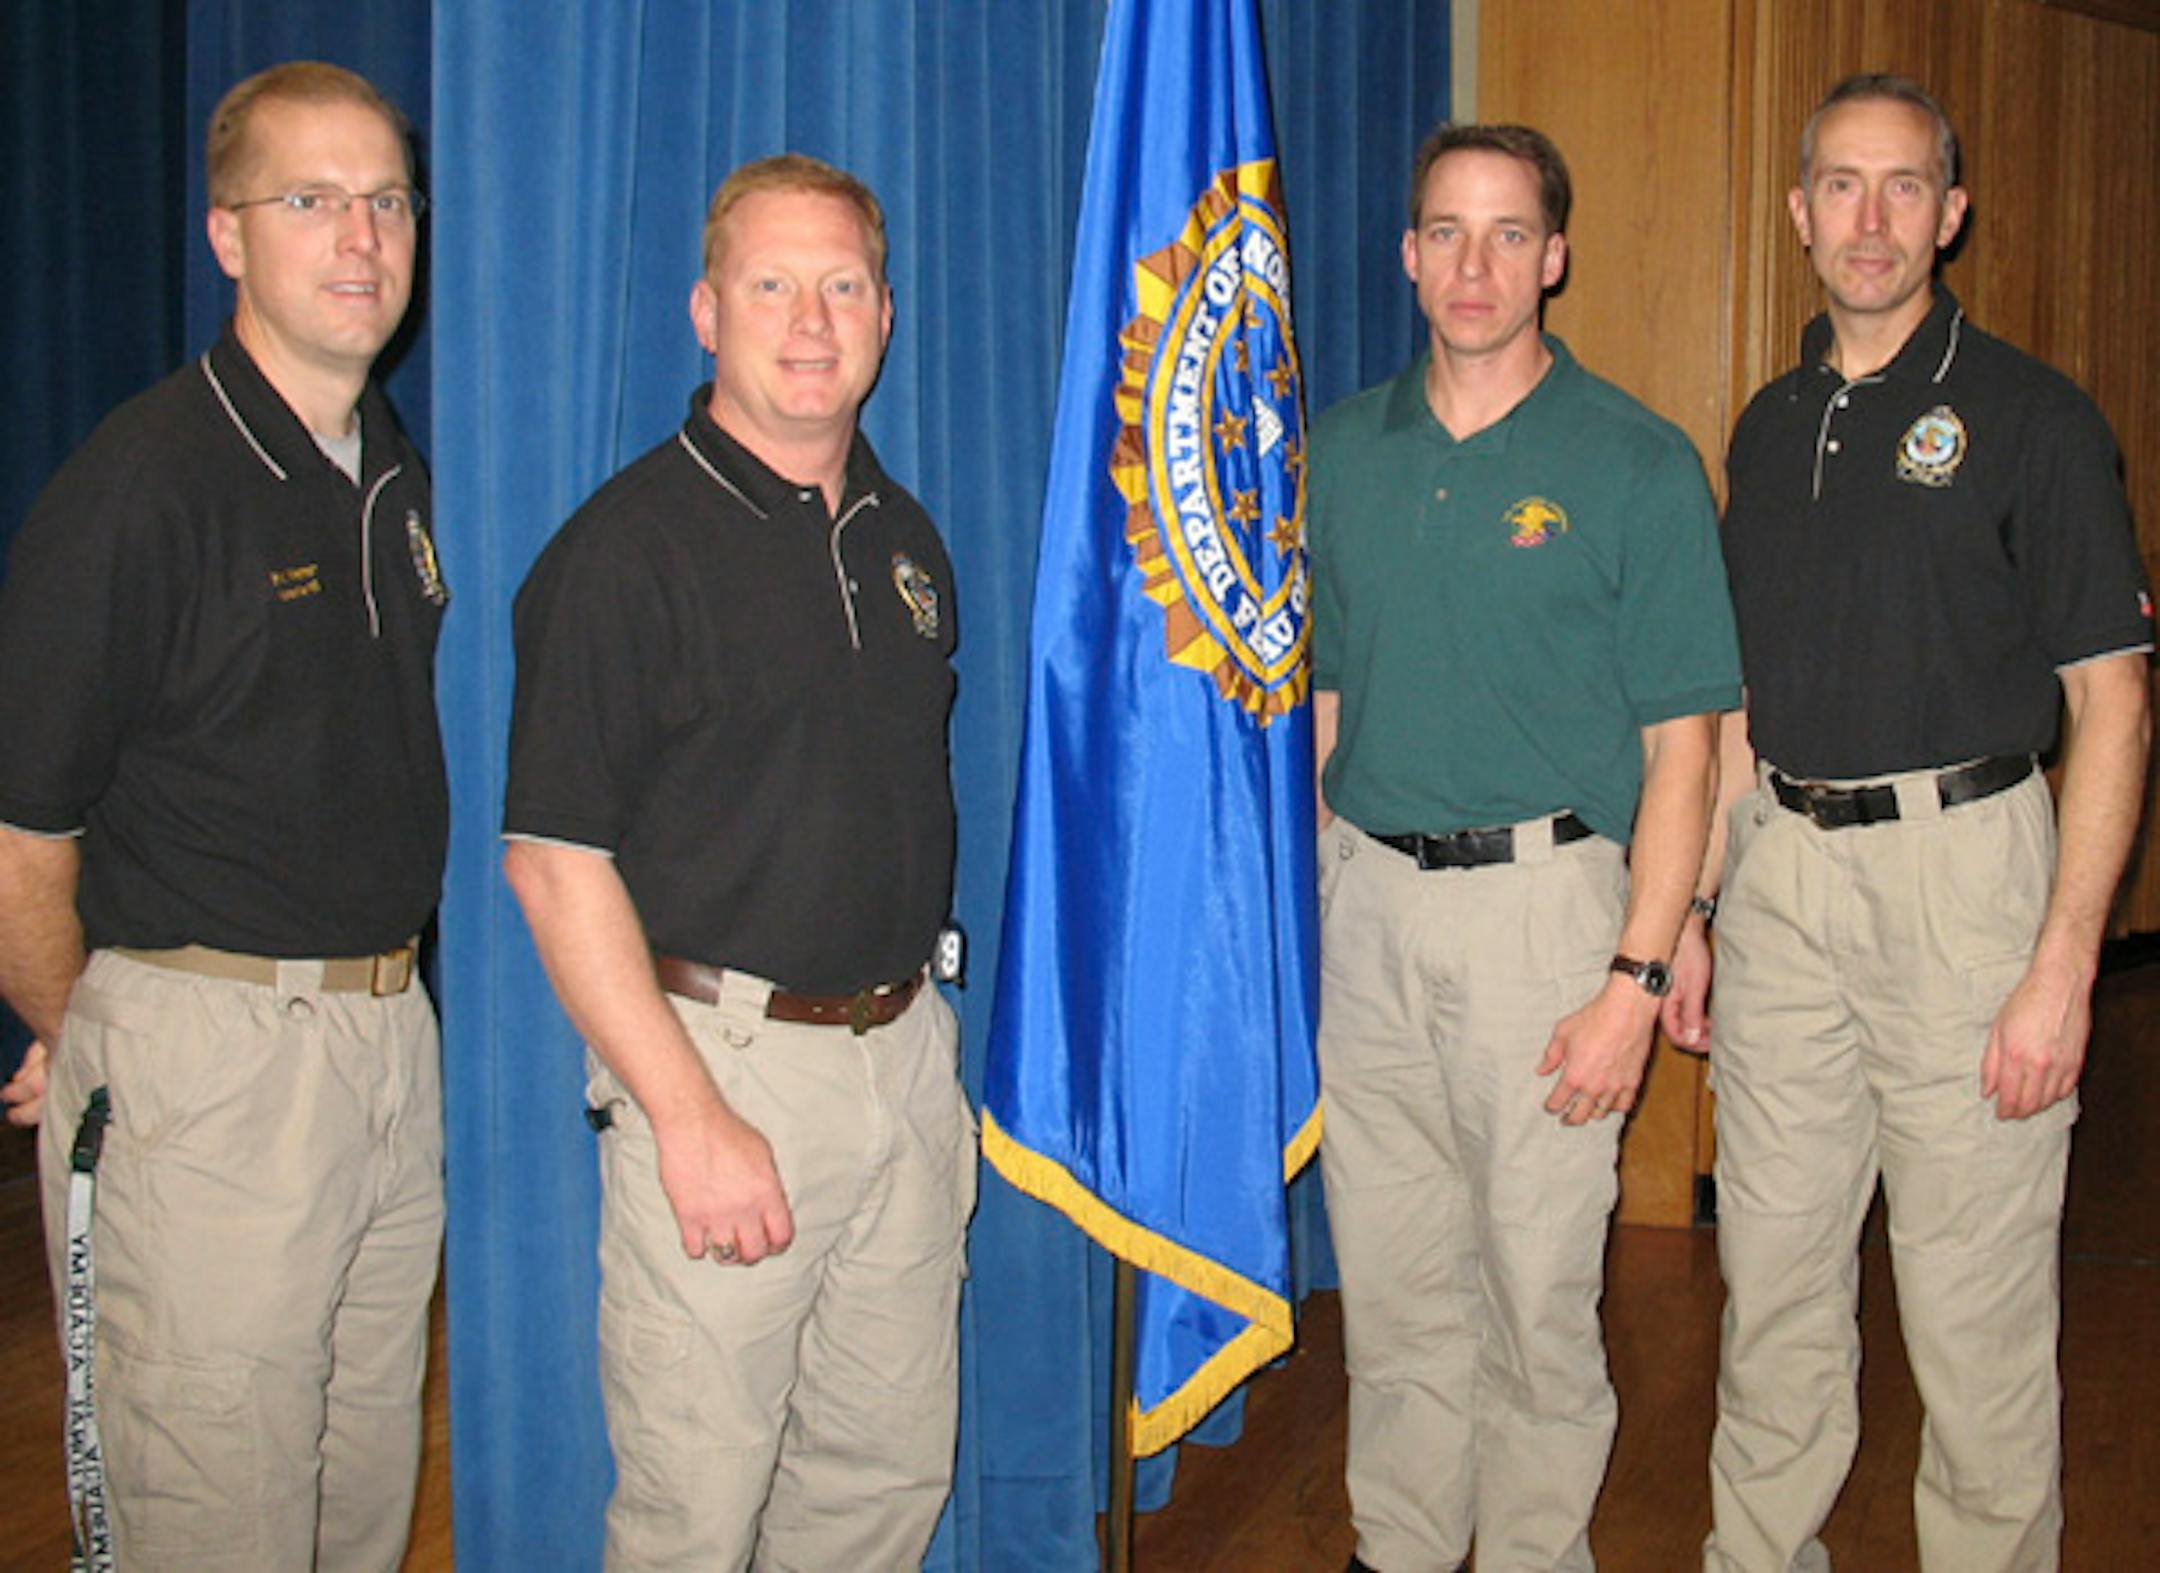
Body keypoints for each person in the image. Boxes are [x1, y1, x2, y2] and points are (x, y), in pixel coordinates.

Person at [1677, 75, 2154, 1572]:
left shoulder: (2037, 421)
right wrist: (1692, 909)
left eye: (1902, 189)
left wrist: (2063, 966)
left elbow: (2117, 704)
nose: (1868, 220)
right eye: (1839, 185)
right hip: (1780, 884)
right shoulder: (1768, 423)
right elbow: (1739, 705)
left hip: (1968, 884)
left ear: (1952, 213)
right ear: (1803, 210)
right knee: (1774, 1286)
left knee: (1974, 1305)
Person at [0, 61, 446, 1570]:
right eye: (310, 198)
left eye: (386, 199)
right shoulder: (145, 482)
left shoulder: (387, 471)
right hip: (213, 1078)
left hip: (389, 1046)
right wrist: (109, 1032)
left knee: (353, 1507)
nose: (360, 236)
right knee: (211, 1524)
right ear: (226, 234)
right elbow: (17, 841)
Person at [502, 154, 972, 1571]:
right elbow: (551, 861)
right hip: (722, 1066)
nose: (812, 319)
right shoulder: (623, 552)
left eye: (843, 285)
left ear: (887, 314)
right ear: (708, 311)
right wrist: (688, 1114)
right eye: (773, 284)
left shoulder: (904, 537)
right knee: (697, 1515)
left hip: (904, 1063)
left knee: (879, 1489)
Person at [1308, 123, 1742, 1572]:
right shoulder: (1343, 456)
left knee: (1537, 1290)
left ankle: (1538, 1551)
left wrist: (1635, 970)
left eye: (1507, 233)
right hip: (1371, 909)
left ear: (1556, 256)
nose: (1474, 264)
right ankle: (1404, 1543)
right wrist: (1325, 891)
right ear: (1409, 253)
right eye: (1445, 230)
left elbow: (1688, 745)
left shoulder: (1636, 461)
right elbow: (1331, 696)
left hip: (1549, 916)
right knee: (1394, 1278)